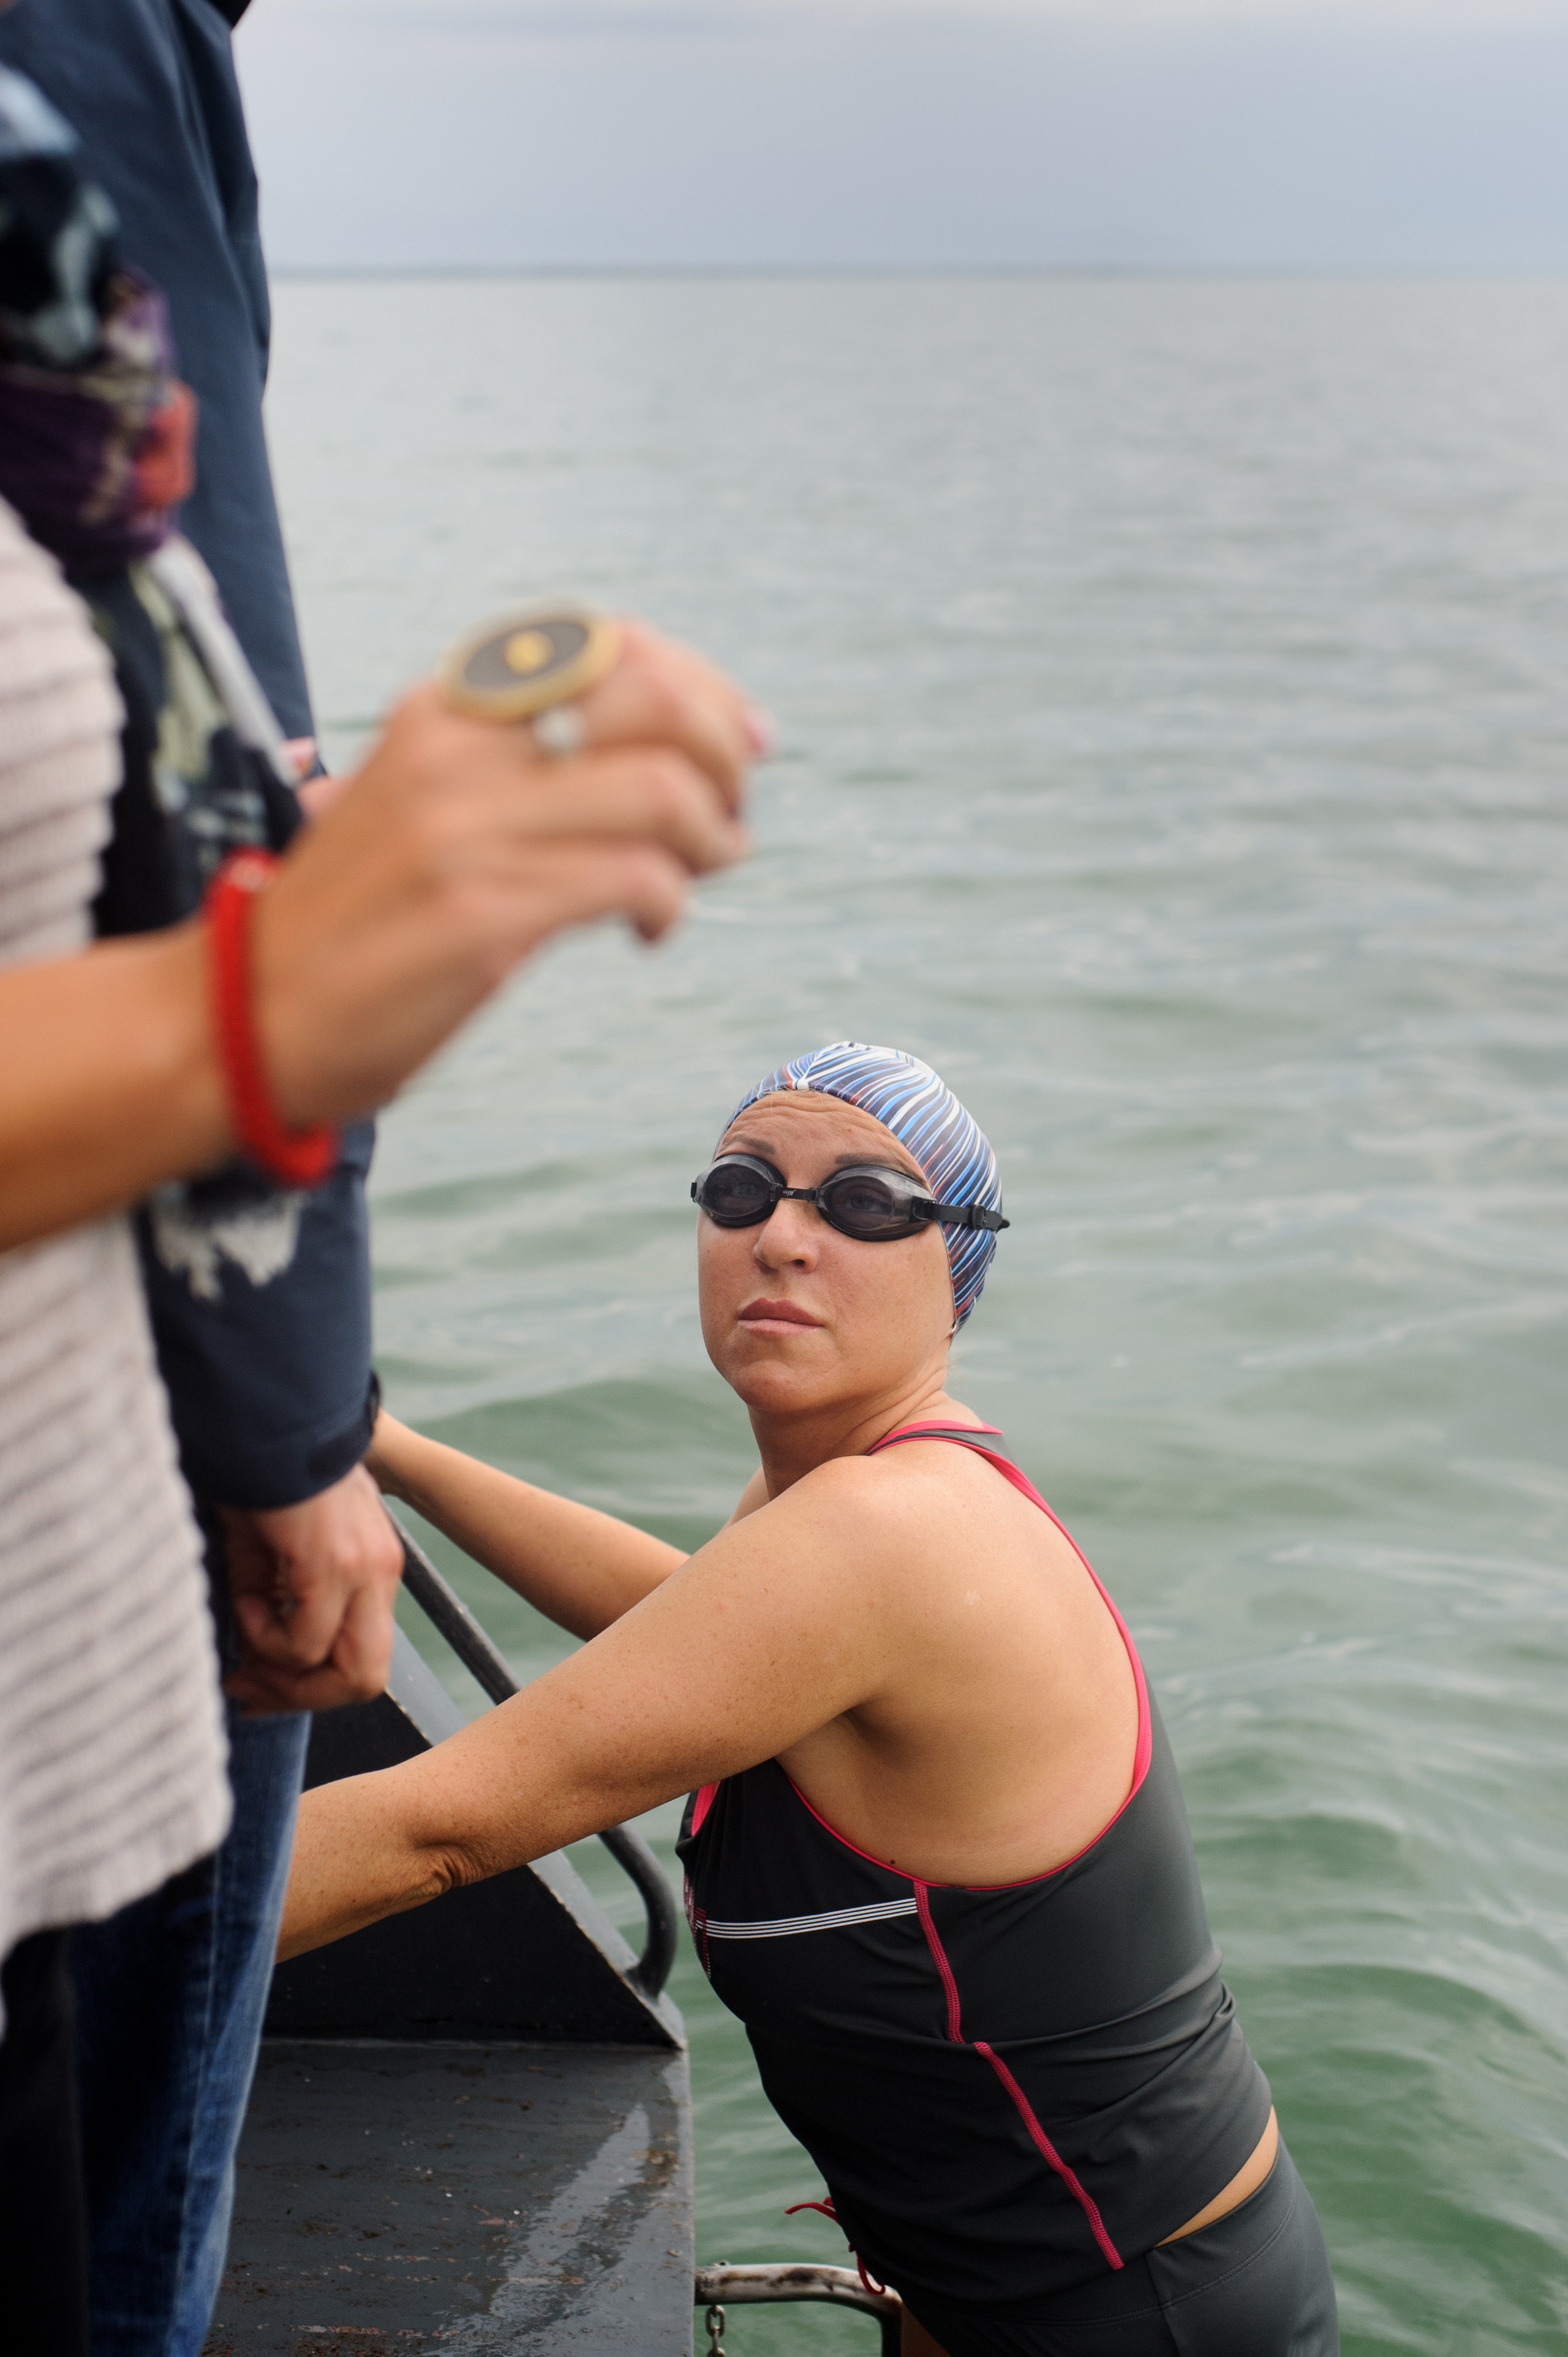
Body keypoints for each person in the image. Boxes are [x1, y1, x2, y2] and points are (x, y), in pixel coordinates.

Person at [279, 1041, 1340, 2357]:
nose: (782, 1235)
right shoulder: (837, 1501)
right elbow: (682, 1615)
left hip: (1130, 2310)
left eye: (865, 1203)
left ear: (954, 1277)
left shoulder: (883, 1535)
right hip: (1024, 2274)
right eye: (741, 1189)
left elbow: (436, 1835)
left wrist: (70, 1953)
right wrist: (394, 1452)